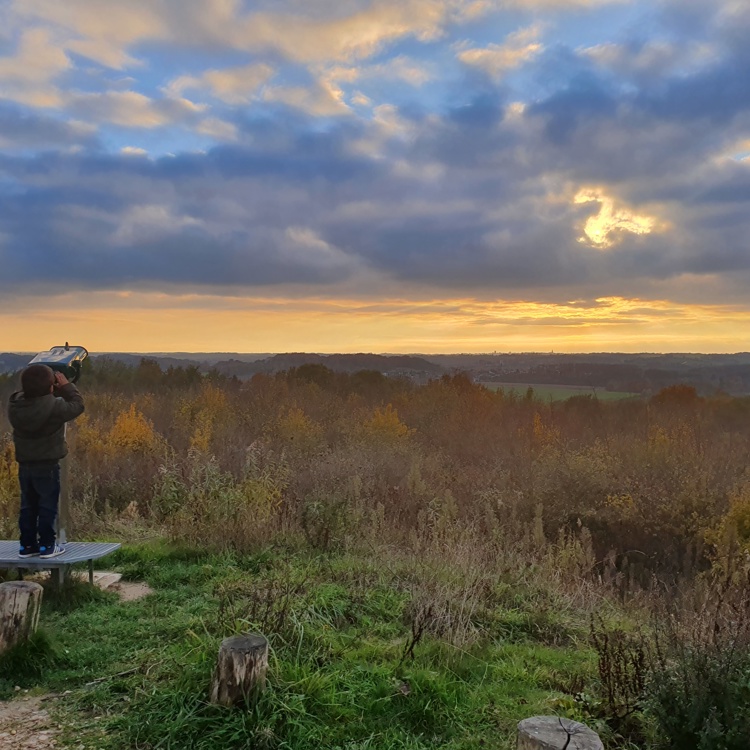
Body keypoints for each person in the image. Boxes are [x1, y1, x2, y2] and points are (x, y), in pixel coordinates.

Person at [7, 364, 85, 558]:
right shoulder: (55, 406)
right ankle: (48, 546)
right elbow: (77, 406)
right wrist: (66, 387)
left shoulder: (15, 405)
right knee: (47, 505)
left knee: (28, 506)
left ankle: (27, 546)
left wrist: (45, 388)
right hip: (48, 465)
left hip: (25, 464)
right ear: (51, 387)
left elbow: (33, 398)